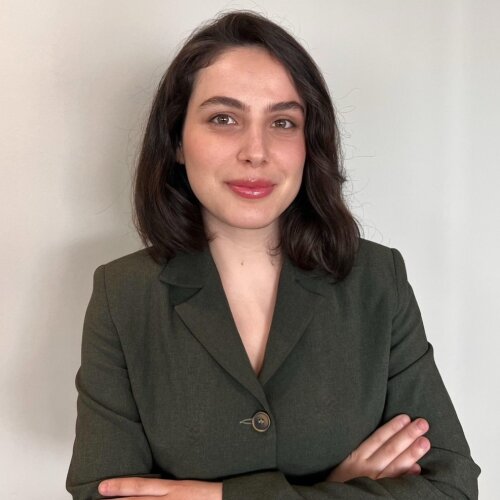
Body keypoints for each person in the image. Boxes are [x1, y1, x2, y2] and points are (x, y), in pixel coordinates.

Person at [66, 11, 480, 500]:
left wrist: (220, 496)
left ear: (309, 143)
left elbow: (451, 488)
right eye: (224, 119)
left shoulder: (376, 279)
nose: (256, 151)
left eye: (283, 122)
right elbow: (104, 493)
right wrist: (334, 488)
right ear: (176, 140)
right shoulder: (123, 295)